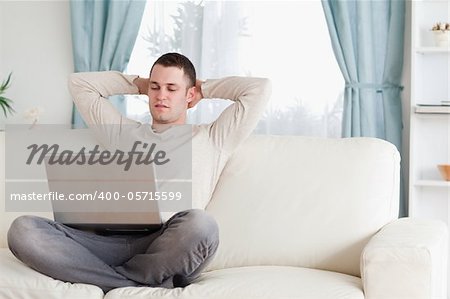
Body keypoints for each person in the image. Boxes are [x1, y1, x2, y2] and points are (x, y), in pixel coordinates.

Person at [7, 53, 271, 293]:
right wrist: (139, 84)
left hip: (168, 245)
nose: (161, 96)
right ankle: (130, 284)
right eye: (155, 88)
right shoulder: (124, 132)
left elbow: (259, 89)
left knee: (202, 224)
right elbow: (80, 84)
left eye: (171, 88)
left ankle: (113, 282)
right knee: (23, 229)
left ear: (189, 95)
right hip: (109, 242)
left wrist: (204, 88)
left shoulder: (213, 137)